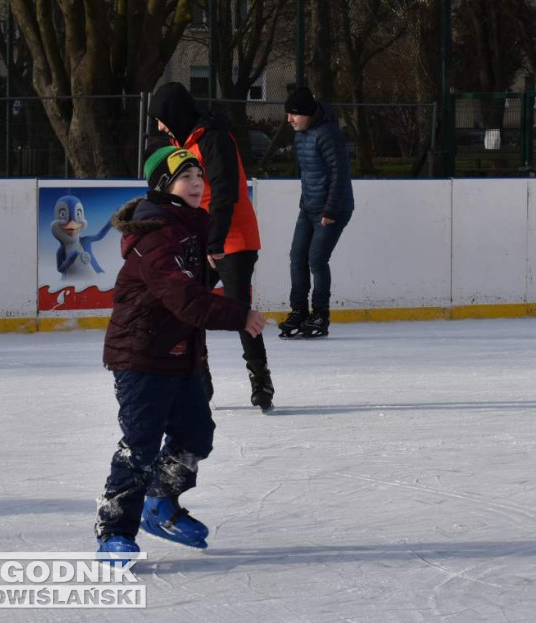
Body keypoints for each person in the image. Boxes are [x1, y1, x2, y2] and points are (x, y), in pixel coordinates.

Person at [96, 146, 267, 554]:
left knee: (195, 435)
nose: (196, 183)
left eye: (198, 176)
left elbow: (194, 288)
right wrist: (238, 314)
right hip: (141, 355)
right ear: (163, 186)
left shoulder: (191, 225)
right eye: (184, 176)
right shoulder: (156, 234)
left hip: (179, 353)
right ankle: (115, 533)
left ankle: (159, 503)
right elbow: (184, 297)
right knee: (140, 446)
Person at [148, 82, 273, 411]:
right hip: (203, 237)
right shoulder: (181, 143)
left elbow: (225, 191)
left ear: (175, 113)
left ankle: (260, 379)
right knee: (188, 308)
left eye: (161, 119)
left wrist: (215, 241)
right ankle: (199, 380)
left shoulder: (214, 137)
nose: (159, 127)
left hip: (233, 237)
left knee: (237, 309)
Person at [278, 87, 354, 338]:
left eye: (294, 114)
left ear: (308, 113)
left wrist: (330, 209)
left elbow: (339, 174)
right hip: (309, 207)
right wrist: (305, 202)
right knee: (297, 257)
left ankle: (320, 314)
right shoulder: (301, 135)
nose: (289, 119)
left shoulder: (328, 134)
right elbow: (309, 174)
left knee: (316, 260)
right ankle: (299, 311)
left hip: (333, 208)